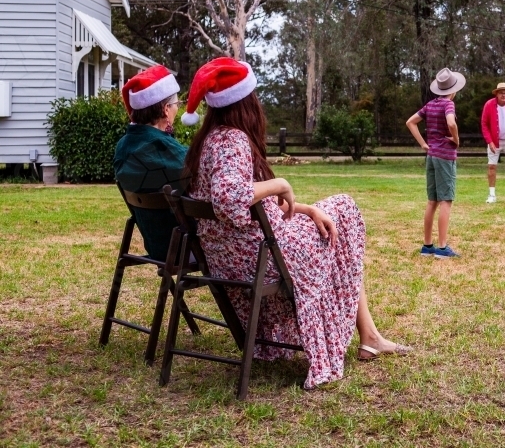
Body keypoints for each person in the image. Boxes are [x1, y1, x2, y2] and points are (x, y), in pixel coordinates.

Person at [180, 57, 408, 390]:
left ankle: (371, 336)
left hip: (238, 257)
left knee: (330, 216)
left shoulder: (211, 139)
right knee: (344, 210)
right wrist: (280, 184)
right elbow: (229, 197)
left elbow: (250, 203)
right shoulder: (232, 140)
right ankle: (370, 336)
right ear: (244, 101)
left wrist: (304, 209)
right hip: (263, 260)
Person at [113, 65, 187, 261]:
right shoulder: (160, 148)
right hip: (186, 247)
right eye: (176, 103)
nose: (178, 109)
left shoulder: (124, 146)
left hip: (157, 246)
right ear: (165, 109)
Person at [405, 68, 465, 258]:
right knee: (446, 200)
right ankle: (442, 248)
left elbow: (410, 122)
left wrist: (423, 144)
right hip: (445, 157)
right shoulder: (448, 105)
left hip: (431, 156)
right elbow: (452, 123)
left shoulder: (430, 105)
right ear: (453, 89)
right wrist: (456, 139)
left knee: (432, 201)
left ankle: (427, 245)